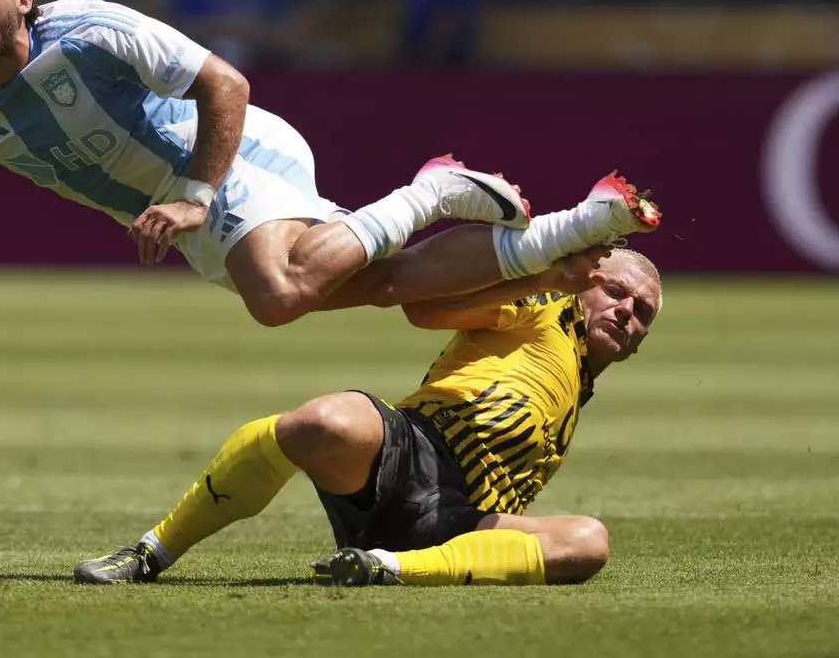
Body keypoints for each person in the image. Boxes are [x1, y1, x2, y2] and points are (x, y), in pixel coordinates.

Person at [0, 0, 660, 383]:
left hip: (230, 161)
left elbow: (225, 85)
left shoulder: (88, 32)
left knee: (278, 293)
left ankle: (429, 193)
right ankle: (564, 246)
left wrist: (193, 192)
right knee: (399, 290)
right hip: (194, 216)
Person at [75, 247, 662, 586]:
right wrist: (542, 276)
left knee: (589, 542)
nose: (627, 313)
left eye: (642, 314)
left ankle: (382, 567)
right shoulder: (542, 311)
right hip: (411, 448)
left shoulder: (577, 387)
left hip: (458, 524)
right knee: (324, 422)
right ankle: (151, 552)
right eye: (617, 293)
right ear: (585, 287)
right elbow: (424, 309)